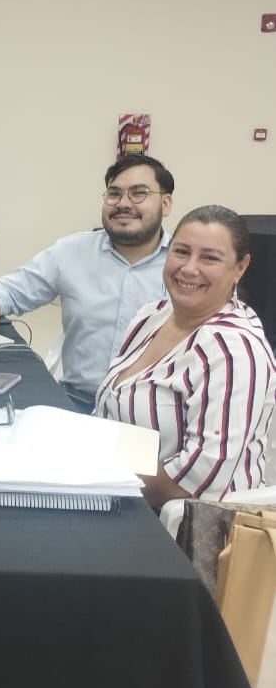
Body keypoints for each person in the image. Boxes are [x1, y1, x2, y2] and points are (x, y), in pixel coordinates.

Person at [0, 154, 175, 411]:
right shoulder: (73, 251)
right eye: (114, 193)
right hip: (77, 403)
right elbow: (11, 288)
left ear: (165, 203)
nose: (123, 203)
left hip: (151, 412)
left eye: (139, 193)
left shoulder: (186, 266)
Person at [96, 206, 275, 507]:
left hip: (178, 521)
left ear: (240, 267)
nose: (190, 269)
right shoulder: (152, 315)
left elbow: (199, 479)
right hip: (120, 490)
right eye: (181, 252)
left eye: (209, 258)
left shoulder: (233, 350)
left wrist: (94, 482)